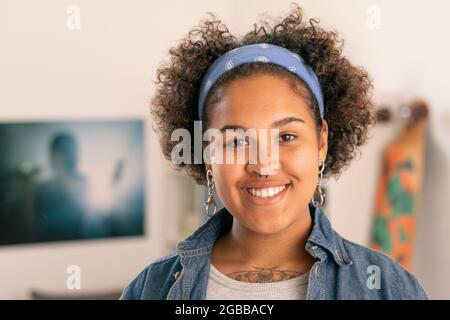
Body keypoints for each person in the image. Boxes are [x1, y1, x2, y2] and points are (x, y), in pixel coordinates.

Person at [120, 5, 427, 299]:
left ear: (321, 143)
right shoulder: (152, 288)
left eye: (287, 136)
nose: (263, 164)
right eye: (236, 142)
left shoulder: (388, 288)